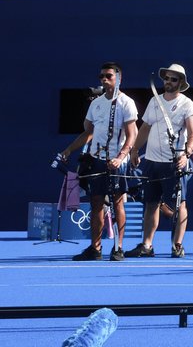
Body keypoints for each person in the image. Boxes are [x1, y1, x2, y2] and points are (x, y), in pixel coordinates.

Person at [57, 62, 140, 261]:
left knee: (118, 203)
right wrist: (69, 149)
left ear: (119, 78)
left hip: (117, 162)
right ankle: (95, 248)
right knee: (96, 203)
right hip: (96, 159)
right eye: (101, 76)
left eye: (109, 76)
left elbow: (132, 135)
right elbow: (88, 132)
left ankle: (118, 248)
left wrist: (121, 158)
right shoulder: (96, 103)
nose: (104, 79)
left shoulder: (126, 102)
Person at [130, 64, 193, 258]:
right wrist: (135, 149)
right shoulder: (154, 101)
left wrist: (186, 154)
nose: (168, 82)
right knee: (151, 203)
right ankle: (147, 245)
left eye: (173, 79)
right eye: (166, 78)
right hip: (151, 161)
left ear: (181, 83)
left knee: (179, 204)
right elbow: (145, 128)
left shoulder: (188, 105)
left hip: (173, 162)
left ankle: (177, 245)